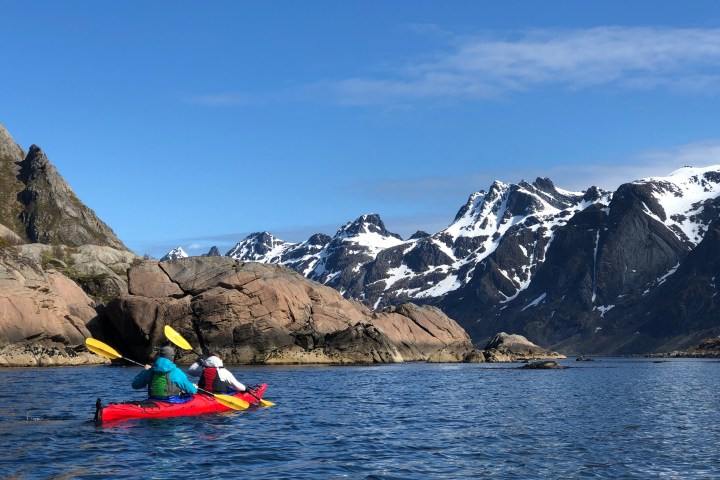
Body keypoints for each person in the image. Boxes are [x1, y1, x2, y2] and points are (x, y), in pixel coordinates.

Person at [132, 346, 198, 403]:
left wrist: (144, 371)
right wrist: (195, 387)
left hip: (152, 400)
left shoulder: (150, 371)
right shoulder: (176, 372)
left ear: (160, 356)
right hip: (172, 402)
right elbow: (192, 390)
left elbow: (135, 385)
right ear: (172, 357)